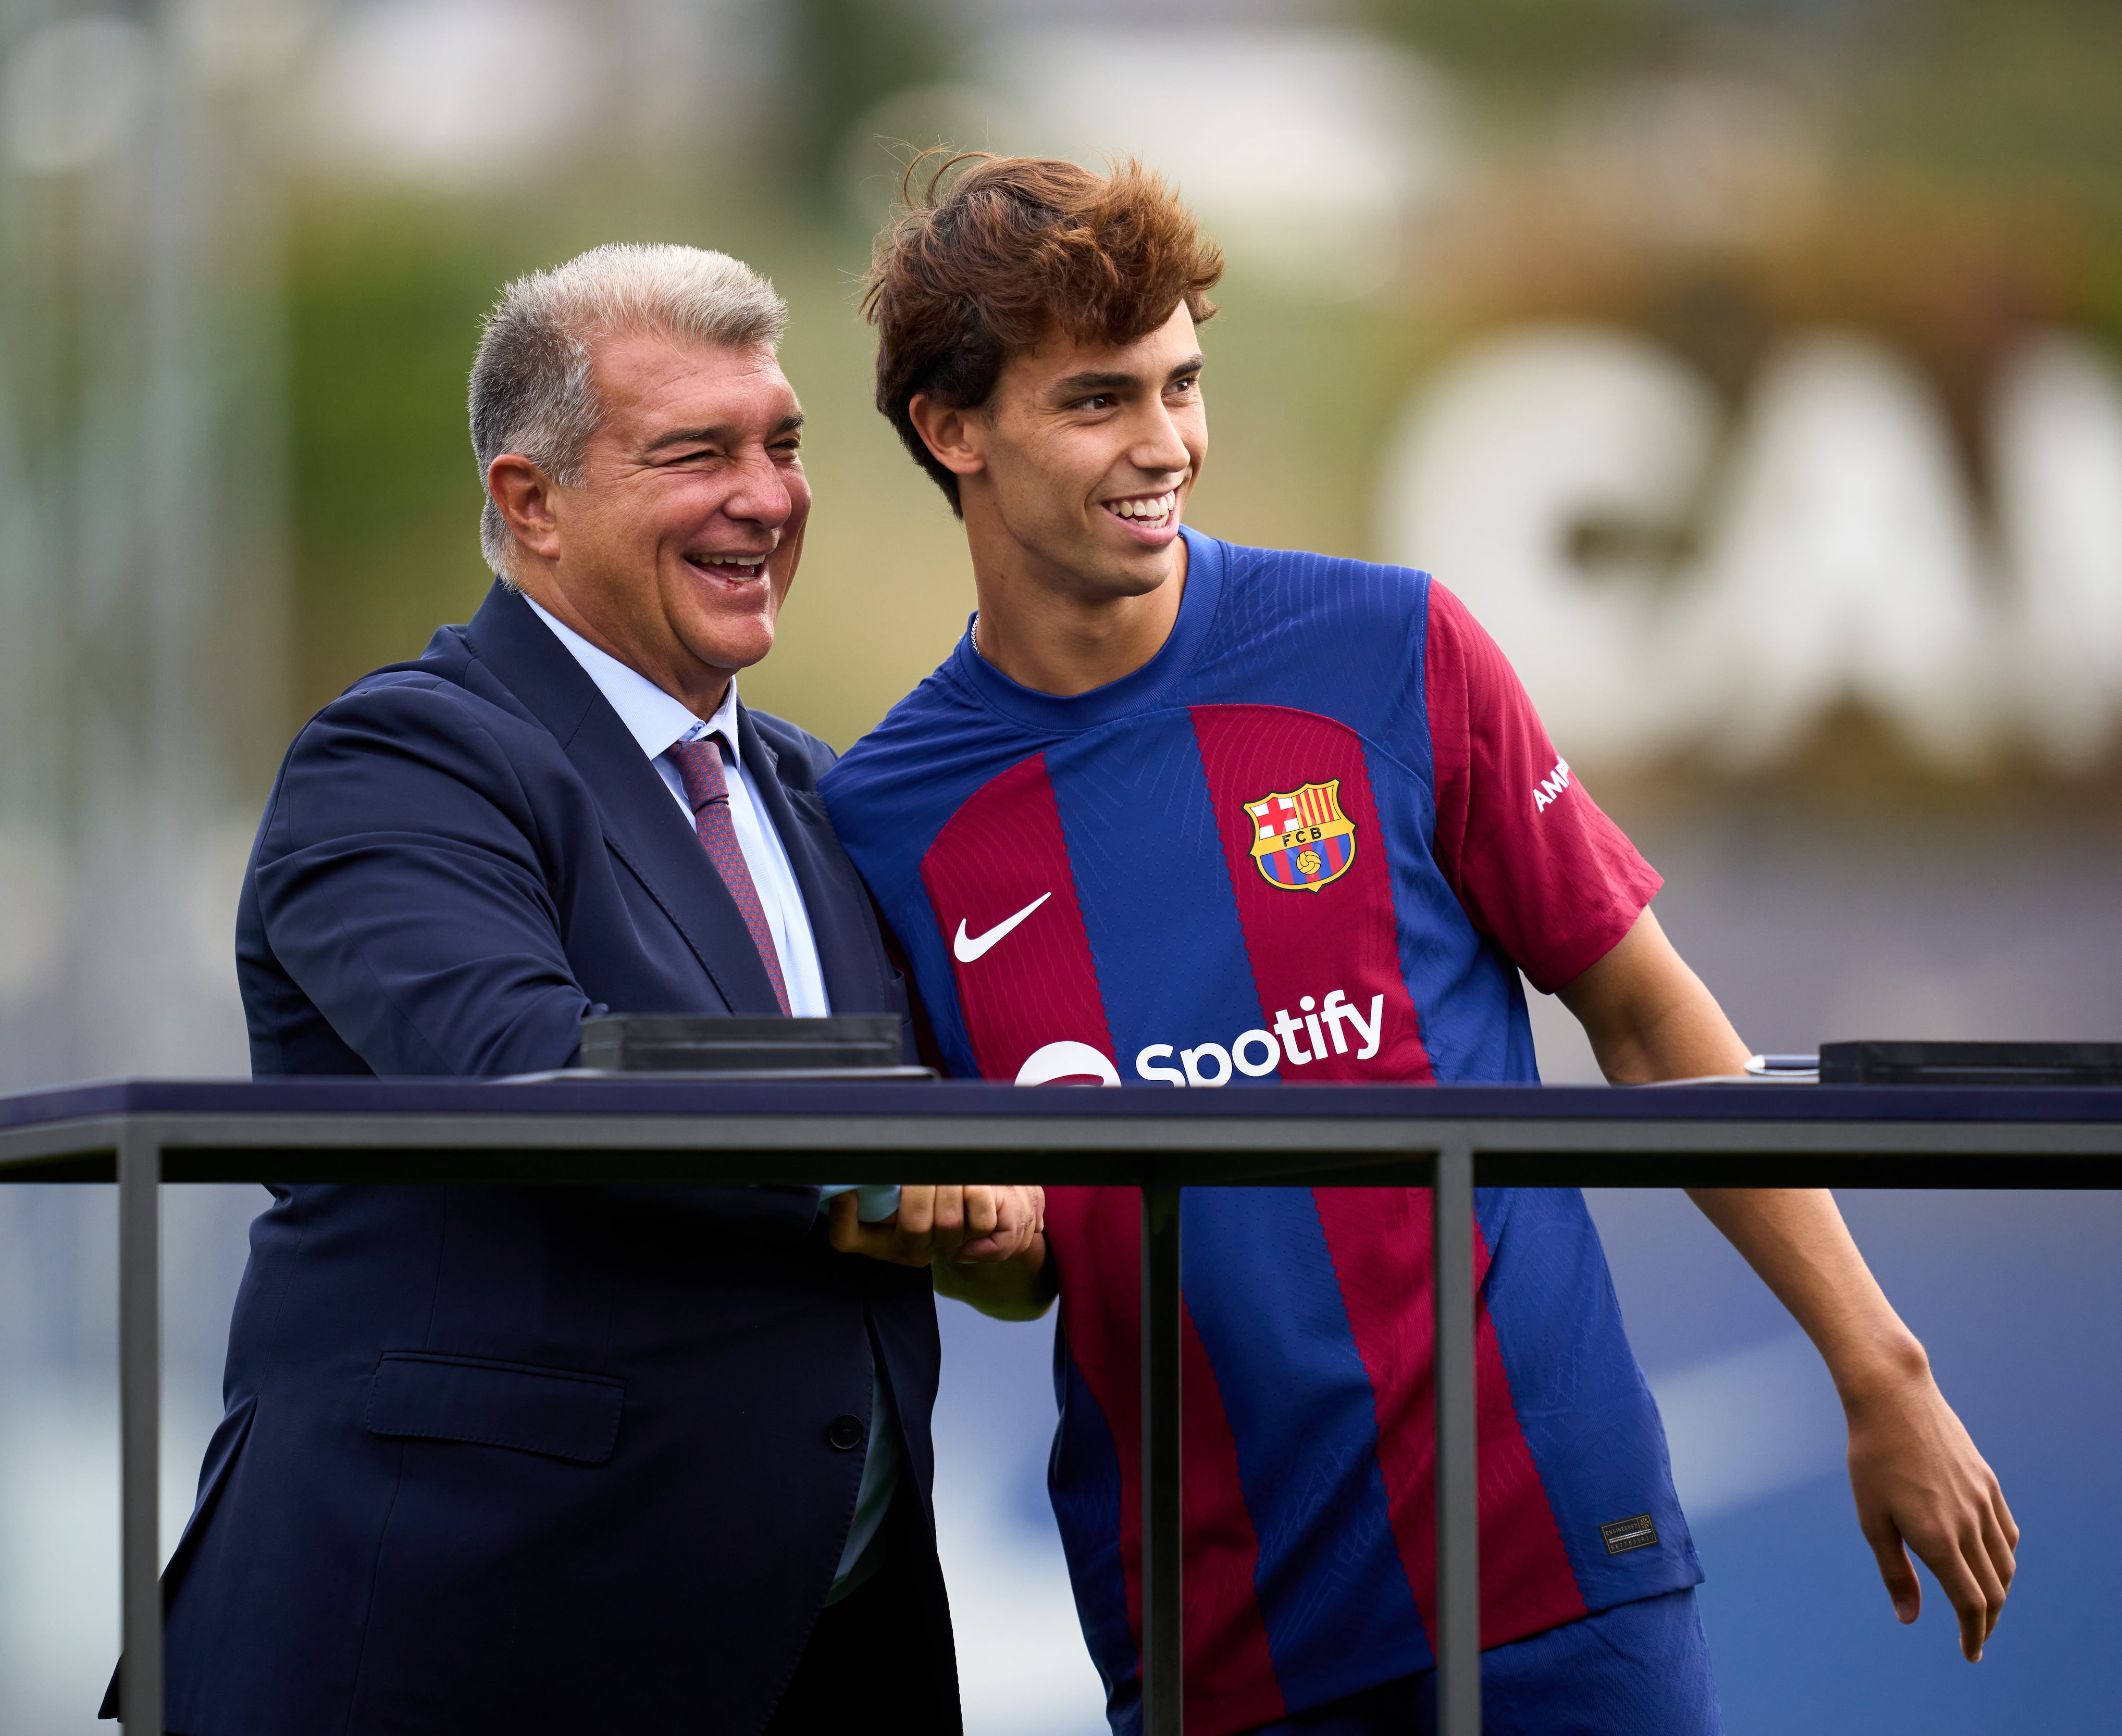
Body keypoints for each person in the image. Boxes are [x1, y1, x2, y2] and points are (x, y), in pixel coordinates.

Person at [820, 157, 2018, 1736]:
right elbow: (1022, 1255)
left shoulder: (1389, 648)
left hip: (1547, 1564)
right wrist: (971, 1241)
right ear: (952, 429)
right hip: (1207, 1635)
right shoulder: (886, 816)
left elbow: (1649, 1017)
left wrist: (1882, 1368)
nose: (1166, 444)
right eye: (1100, 400)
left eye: (1184, 384)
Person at [124, 244, 1038, 1735]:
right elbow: (527, 1061)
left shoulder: (823, 794)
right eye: (697, 452)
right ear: (529, 501)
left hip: (818, 1654)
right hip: (464, 1647)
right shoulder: (403, 759)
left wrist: (996, 1213)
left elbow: (943, 1143)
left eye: (783, 445)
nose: (767, 496)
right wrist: (886, 1140)